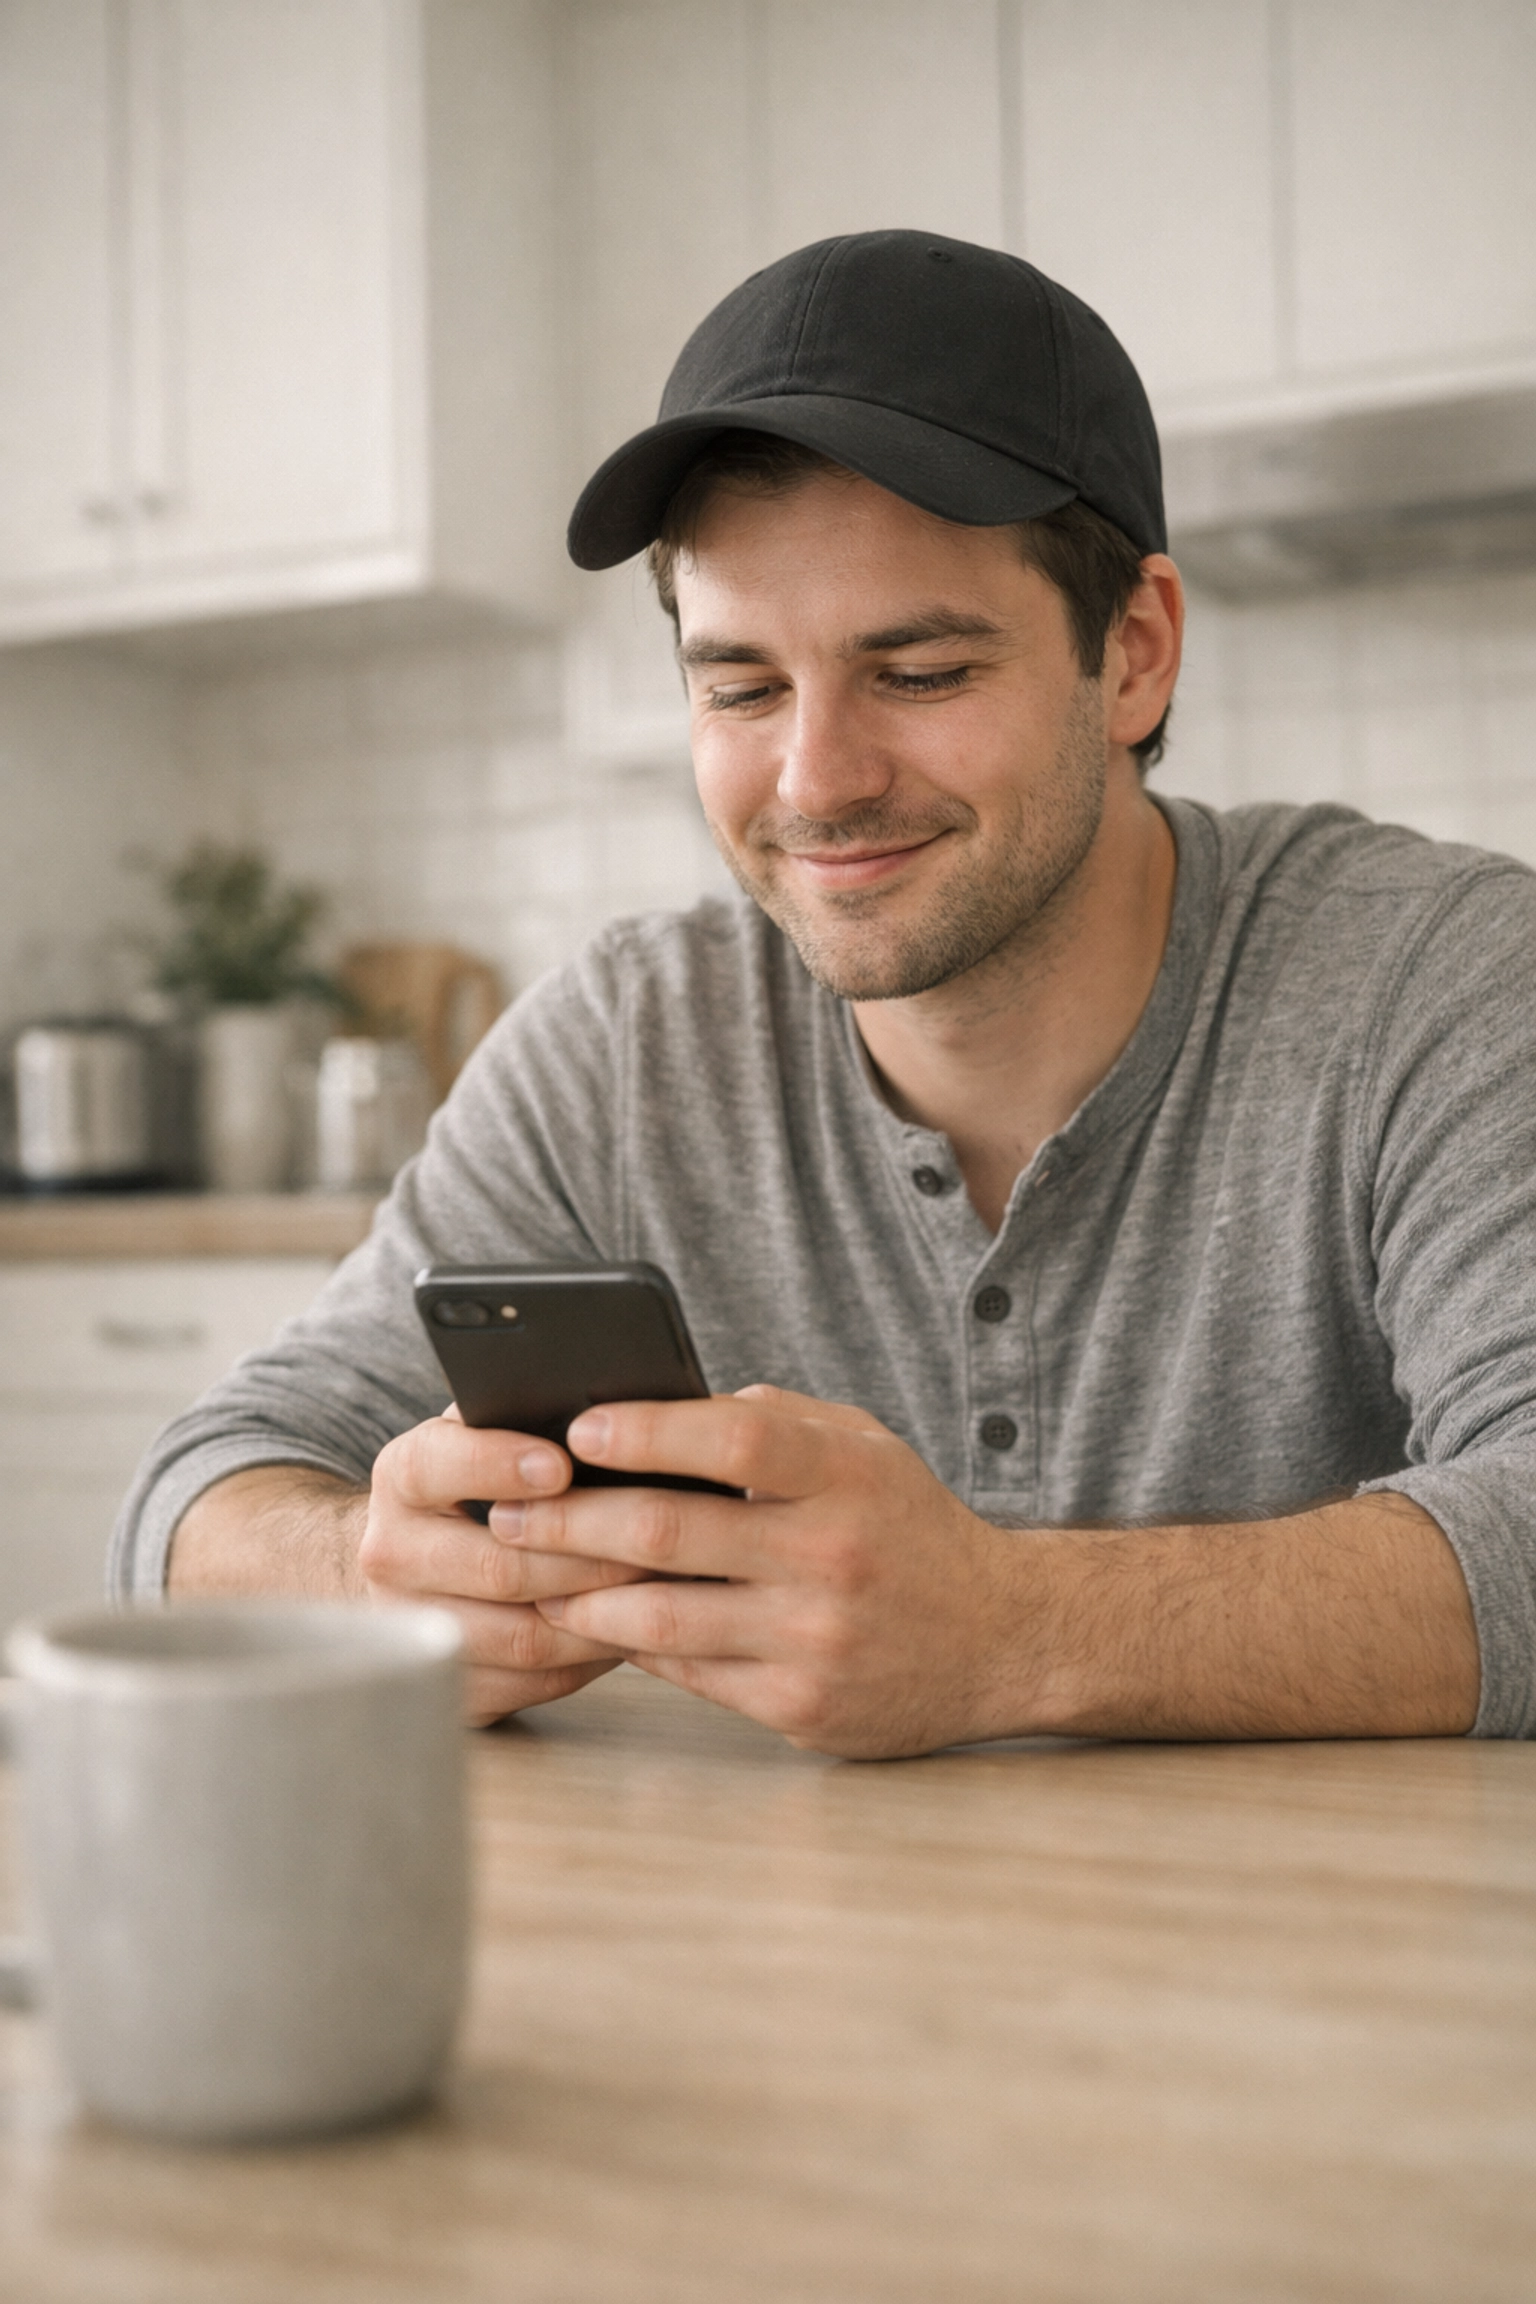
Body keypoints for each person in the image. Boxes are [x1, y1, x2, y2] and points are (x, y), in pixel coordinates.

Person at [115, 230, 1536, 1752]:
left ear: (1131, 655)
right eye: (740, 687)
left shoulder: (1437, 980)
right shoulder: (628, 1043)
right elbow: (202, 1494)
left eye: (919, 673)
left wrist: (1011, 1629)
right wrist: (377, 1577)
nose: (818, 779)